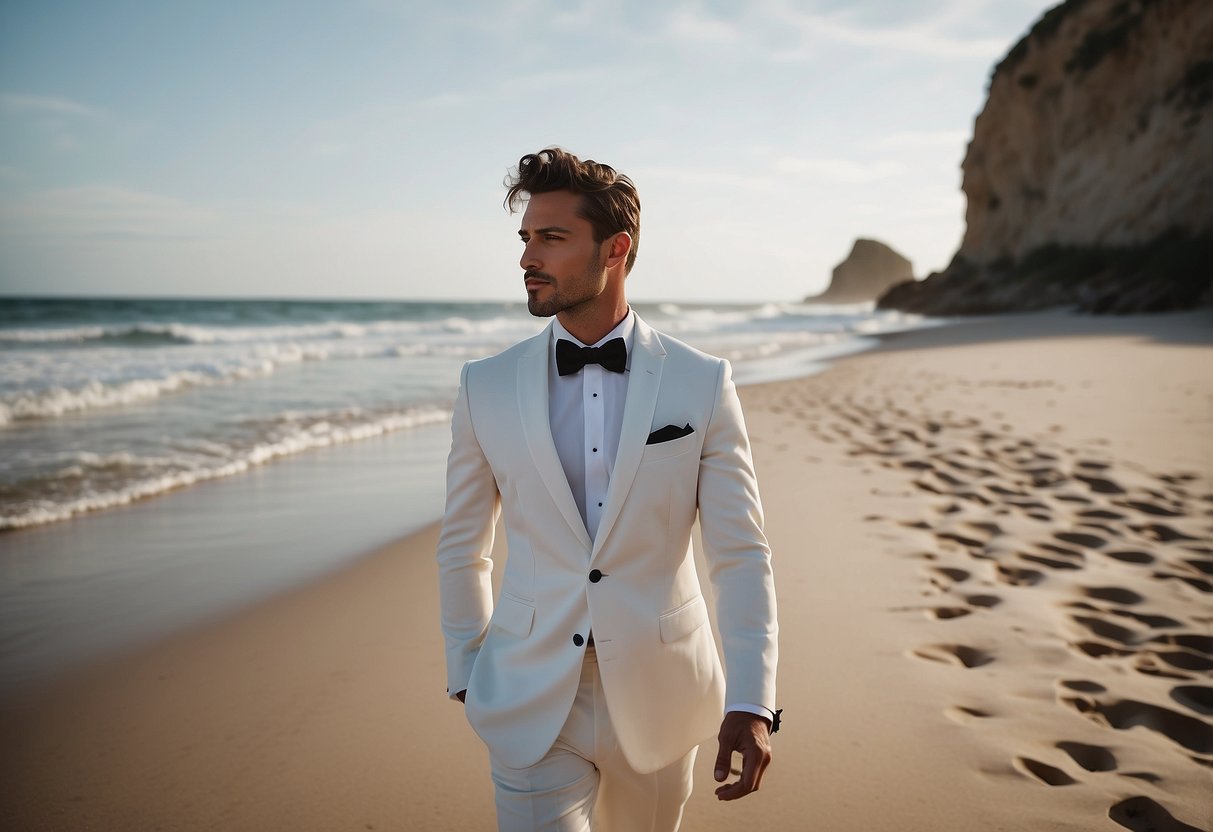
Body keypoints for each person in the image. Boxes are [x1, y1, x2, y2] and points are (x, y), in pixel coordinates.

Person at [436, 146, 779, 832]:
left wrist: (752, 699)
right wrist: (468, 669)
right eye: (526, 239)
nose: (528, 258)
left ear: (615, 248)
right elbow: (461, 546)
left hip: (659, 693)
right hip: (527, 694)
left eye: (552, 239)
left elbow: (740, 553)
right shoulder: (486, 385)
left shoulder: (700, 381)